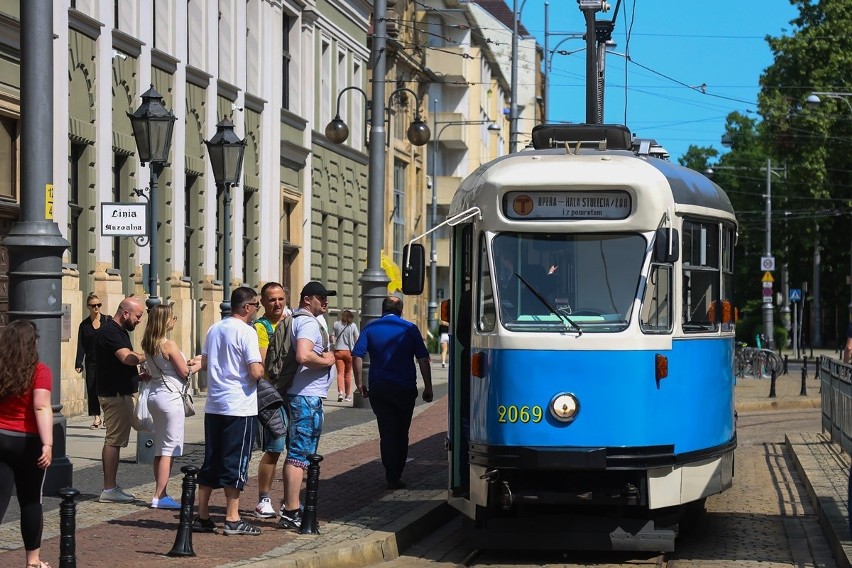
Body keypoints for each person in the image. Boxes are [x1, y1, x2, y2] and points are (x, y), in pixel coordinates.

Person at [190, 287, 265, 536]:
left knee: (212, 459)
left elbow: (204, 361)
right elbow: (255, 372)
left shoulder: (215, 328)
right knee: (236, 460)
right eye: (256, 305)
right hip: (239, 406)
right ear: (246, 307)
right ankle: (232, 518)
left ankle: (202, 515)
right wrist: (263, 372)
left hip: (215, 405)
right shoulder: (247, 332)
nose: (257, 309)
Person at [353, 296, 433, 489]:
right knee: (402, 432)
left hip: (380, 387)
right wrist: (428, 387)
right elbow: (423, 358)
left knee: (387, 431)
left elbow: (357, 354)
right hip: (404, 387)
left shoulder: (370, 329)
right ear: (401, 310)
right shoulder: (409, 329)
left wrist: (359, 382)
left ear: (383, 309)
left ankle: (391, 474)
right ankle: (397, 473)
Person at [278, 281, 337, 531]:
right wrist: (327, 360)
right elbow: (304, 355)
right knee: (299, 456)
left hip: (304, 396)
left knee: (298, 454)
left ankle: (291, 506)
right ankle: (291, 510)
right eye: (320, 297)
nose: (325, 301)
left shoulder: (301, 319)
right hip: (305, 398)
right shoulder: (308, 323)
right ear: (307, 299)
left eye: (326, 297)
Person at [0, 320, 53, 568]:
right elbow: (41, 406)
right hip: (28, 441)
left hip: (1, 437)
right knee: (31, 501)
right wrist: (48, 444)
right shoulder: (39, 371)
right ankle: (32, 560)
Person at [95, 296, 146, 503]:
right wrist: (149, 354)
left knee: (119, 438)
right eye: (138, 316)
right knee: (114, 440)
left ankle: (111, 487)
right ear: (125, 313)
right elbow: (127, 358)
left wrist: (138, 376)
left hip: (120, 391)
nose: (139, 320)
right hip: (115, 395)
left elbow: (119, 365)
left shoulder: (118, 331)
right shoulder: (110, 332)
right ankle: (109, 489)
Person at [141, 304, 191, 510]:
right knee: (168, 448)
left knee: (161, 447)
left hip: (155, 395)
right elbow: (184, 372)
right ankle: (160, 495)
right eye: (173, 317)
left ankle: (159, 492)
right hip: (170, 398)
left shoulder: (148, 343)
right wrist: (191, 364)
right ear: (165, 321)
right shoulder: (168, 344)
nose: (174, 321)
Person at [252, 282, 292, 519]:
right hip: (272, 394)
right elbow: (266, 362)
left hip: (292, 392)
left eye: (280, 299)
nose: (277, 303)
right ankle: (263, 499)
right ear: (263, 303)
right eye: (271, 300)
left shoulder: (291, 321)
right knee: (275, 446)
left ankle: (290, 500)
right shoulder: (261, 327)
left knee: (294, 447)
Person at [75, 292, 110, 429]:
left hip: (107, 361)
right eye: (94, 305)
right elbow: (81, 345)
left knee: (106, 389)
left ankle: (107, 416)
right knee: (92, 389)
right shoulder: (84, 325)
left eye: (99, 305)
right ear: (88, 307)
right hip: (91, 362)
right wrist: (78, 362)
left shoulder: (107, 321)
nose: (97, 308)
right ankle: (96, 417)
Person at [332, 309, 359, 402]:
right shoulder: (353, 326)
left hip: (338, 351)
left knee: (340, 373)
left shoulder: (336, 324)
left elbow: (332, 336)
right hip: (349, 352)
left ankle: (340, 393)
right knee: (347, 374)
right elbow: (357, 337)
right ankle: (348, 395)